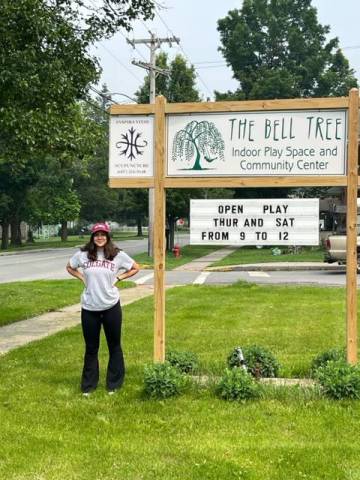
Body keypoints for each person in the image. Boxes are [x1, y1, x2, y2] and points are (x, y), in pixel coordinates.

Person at [66, 222, 139, 396]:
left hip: (111, 306)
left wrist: (119, 278)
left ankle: (114, 384)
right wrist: (82, 277)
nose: (100, 237)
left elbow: (135, 267)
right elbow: (69, 266)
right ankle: (88, 386)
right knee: (91, 347)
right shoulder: (83, 255)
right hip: (89, 306)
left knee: (114, 345)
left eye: (103, 235)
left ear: (107, 237)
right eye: (97, 235)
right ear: (93, 237)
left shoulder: (117, 255)